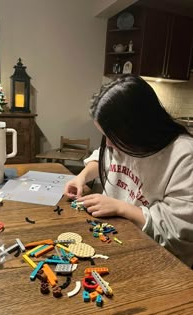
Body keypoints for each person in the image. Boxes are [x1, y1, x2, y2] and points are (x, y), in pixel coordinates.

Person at [64, 74, 193, 268]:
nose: (108, 143)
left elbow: (177, 231)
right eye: (105, 135)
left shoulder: (184, 156)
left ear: (138, 129)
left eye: (111, 137)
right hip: (114, 238)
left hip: (161, 261)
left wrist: (121, 208)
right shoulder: (124, 142)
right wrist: (82, 177)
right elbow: (102, 156)